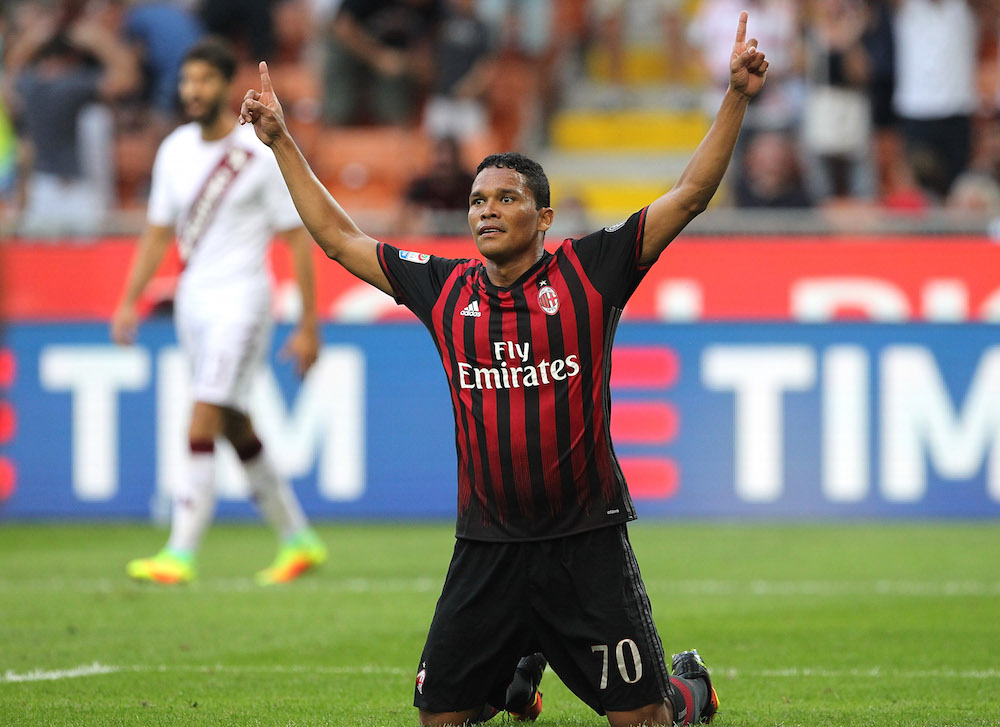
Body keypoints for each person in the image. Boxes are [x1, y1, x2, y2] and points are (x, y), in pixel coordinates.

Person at [240, 11, 768, 724]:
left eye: (507, 198)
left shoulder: (592, 272)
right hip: (486, 545)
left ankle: (688, 690)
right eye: (478, 201)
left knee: (643, 721)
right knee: (440, 720)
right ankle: (515, 669)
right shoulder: (445, 288)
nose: (487, 211)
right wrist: (281, 142)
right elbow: (337, 238)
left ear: (544, 217)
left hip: (584, 542)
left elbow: (690, 196)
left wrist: (733, 96)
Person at [111, 37, 326, 586]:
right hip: (194, 303)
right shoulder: (174, 150)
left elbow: (297, 239)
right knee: (232, 421)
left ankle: (179, 552)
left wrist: (308, 324)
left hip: (243, 302)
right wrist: (128, 301)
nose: (193, 90)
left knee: (204, 411)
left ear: (226, 86)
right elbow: (158, 234)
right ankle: (297, 538)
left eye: (204, 80)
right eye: (187, 80)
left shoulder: (256, 153)